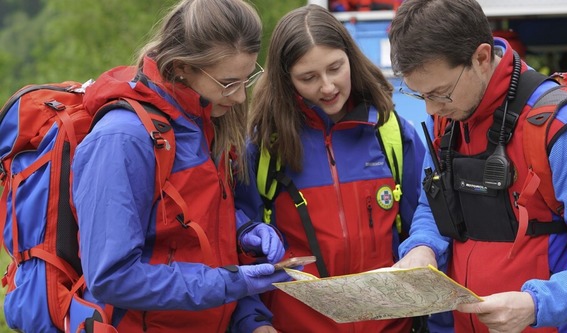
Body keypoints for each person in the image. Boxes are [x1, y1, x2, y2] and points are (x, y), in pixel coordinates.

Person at [388, 0, 567, 332]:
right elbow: (431, 206)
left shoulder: (564, 127)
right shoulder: (449, 121)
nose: (432, 108)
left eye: (441, 93)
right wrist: (423, 247)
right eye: (421, 96)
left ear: (480, 57)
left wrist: (537, 304)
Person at [71, 0, 292, 332]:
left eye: (247, 79)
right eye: (228, 83)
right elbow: (111, 277)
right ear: (180, 68)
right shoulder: (122, 139)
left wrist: (243, 231)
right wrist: (233, 283)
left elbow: (184, 223)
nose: (240, 98)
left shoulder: (203, 123)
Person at [232, 4, 426, 333]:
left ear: (351, 56)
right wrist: (252, 322)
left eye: (335, 68)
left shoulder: (390, 131)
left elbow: (427, 224)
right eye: (308, 78)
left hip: (392, 324)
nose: (327, 87)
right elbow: (236, 246)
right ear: (285, 81)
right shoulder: (264, 148)